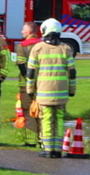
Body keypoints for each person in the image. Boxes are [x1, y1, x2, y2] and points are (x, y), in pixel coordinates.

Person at [26, 18, 76, 157]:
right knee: (59, 119)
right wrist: (72, 90)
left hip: (44, 93)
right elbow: (72, 72)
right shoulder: (66, 49)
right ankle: (58, 149)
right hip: (61, 93)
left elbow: (30, 72)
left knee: (46, 119)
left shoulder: (38, 48)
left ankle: (48, 149)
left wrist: (30, 90)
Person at [14, 21, 41, 147]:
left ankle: (31, 141)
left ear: (29, 32)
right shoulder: (43, 44)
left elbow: (21, 64)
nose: (21, 32)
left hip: (26, 84)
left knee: (28, 111)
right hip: (42, 84)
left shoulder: (22, 46)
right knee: (42, 111)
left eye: (23, 30)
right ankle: (43, 140)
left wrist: (29, 79)